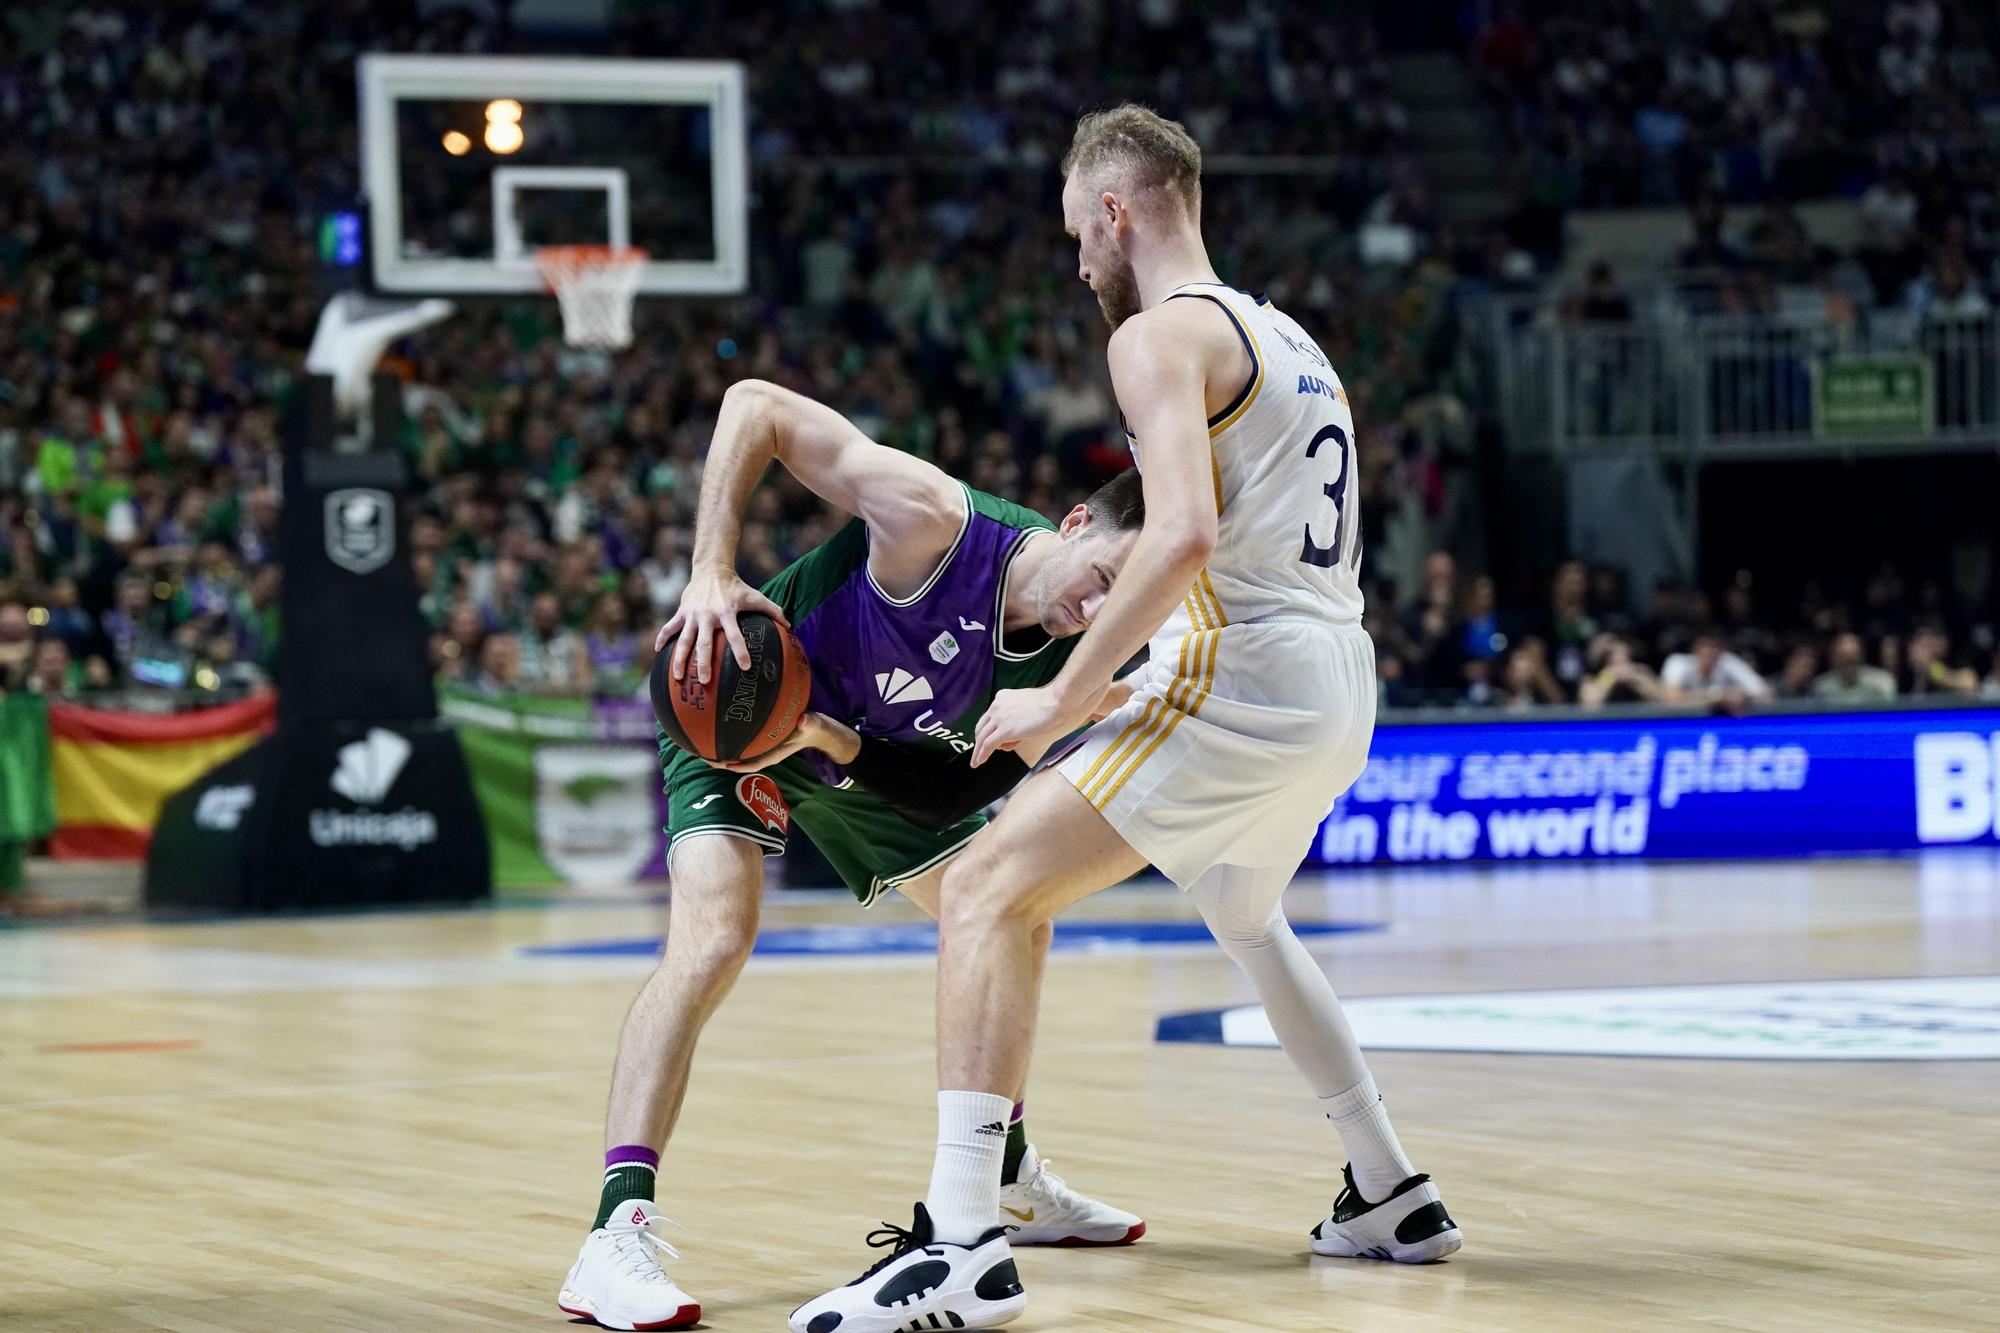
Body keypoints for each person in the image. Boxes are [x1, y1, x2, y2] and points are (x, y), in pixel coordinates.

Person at [791, 105, 1459, 1333]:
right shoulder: (1287, 335)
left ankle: (958, 1245)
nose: (1077, 265)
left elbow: (1184, 537)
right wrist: (1100, 689)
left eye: (1076, 236)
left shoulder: (1157, 336)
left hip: (1244, 669)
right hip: (1336, 674)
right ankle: (1387, 1189)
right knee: (1244, 915)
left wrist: (1057, 693)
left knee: (986, 886)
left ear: (1114, 209)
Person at [559, 378, 1149, 1332]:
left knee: (1005, 908)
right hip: (738, 710)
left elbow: (954, 792)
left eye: (1133, 607)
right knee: (715, 939)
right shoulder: (934, 523)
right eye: (1109, 576)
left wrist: (836, 744)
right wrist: (711, 567)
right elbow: (754, 403)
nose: (1103, 609)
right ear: (1078, 520)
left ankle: (1005, 1172)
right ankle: (611, 1236)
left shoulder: (1075, 670)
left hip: (848, 750)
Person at [1660, 628, 1772, 706]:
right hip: (1681, 720)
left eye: (1714, 649)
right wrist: (1717, 696)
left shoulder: (1728, 662)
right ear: (1695, 651)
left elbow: (1765, 692)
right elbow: (1671, 698)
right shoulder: (1678, 662)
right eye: (1705, 649)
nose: (1709, 654)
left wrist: (1740, 695)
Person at [1812, 632, 1896, 704]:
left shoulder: (1882, 682)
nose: (1848, 663)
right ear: (1833, 658)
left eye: (1852, 658)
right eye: (1843, 657)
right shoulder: (1820, 688)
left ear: (1861, 656)